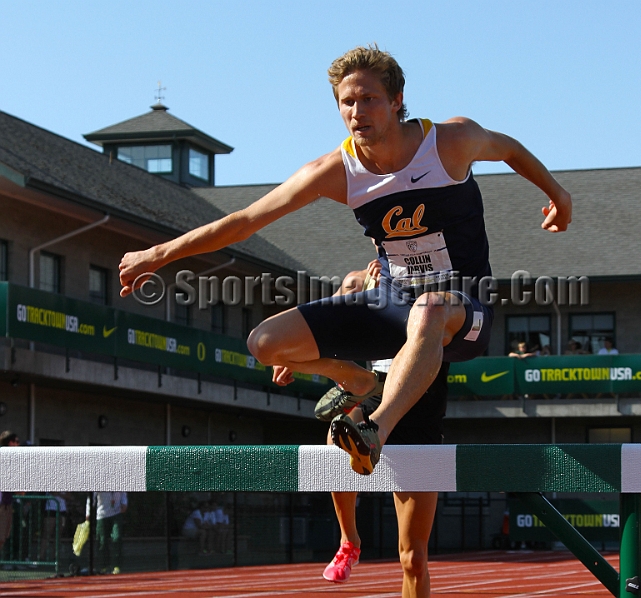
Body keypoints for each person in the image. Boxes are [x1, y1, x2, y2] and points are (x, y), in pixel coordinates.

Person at [118, 44, 572, 491]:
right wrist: (156, 256)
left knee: (430, 309)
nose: (357, 111)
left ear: (396, 101)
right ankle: (352, 377)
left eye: (369, 99)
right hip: (391, 306)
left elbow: (509, 148)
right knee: (265, 343)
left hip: (460, 309)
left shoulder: (450, 142)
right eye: (347, 102)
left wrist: (557, 194)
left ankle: (375, 428)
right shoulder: (336, 170)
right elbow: (244, 222)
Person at [275, 261, 450, 589]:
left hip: (421, 405)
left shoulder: (442, 286)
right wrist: (292, 357)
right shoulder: (358, 282)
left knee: (413, 558)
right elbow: (324, 328)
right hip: (376, 392)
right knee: (335, 436)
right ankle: (349, 540)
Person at [86, 491, 127, 574]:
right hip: (102, 515)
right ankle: (104, 566)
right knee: (102, 541)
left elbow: (123, 493)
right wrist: (88, 513)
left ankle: (116, 565)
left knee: (117, 538)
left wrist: (124, 502)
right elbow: (91, 498)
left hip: (117, 513)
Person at [0, 431, 20, 559]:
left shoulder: (13, 459)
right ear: (10, 443)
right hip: (1, 505)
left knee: (3, 538)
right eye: (16, 441)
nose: (18, 444)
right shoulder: (4, 457)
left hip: (7, 504)